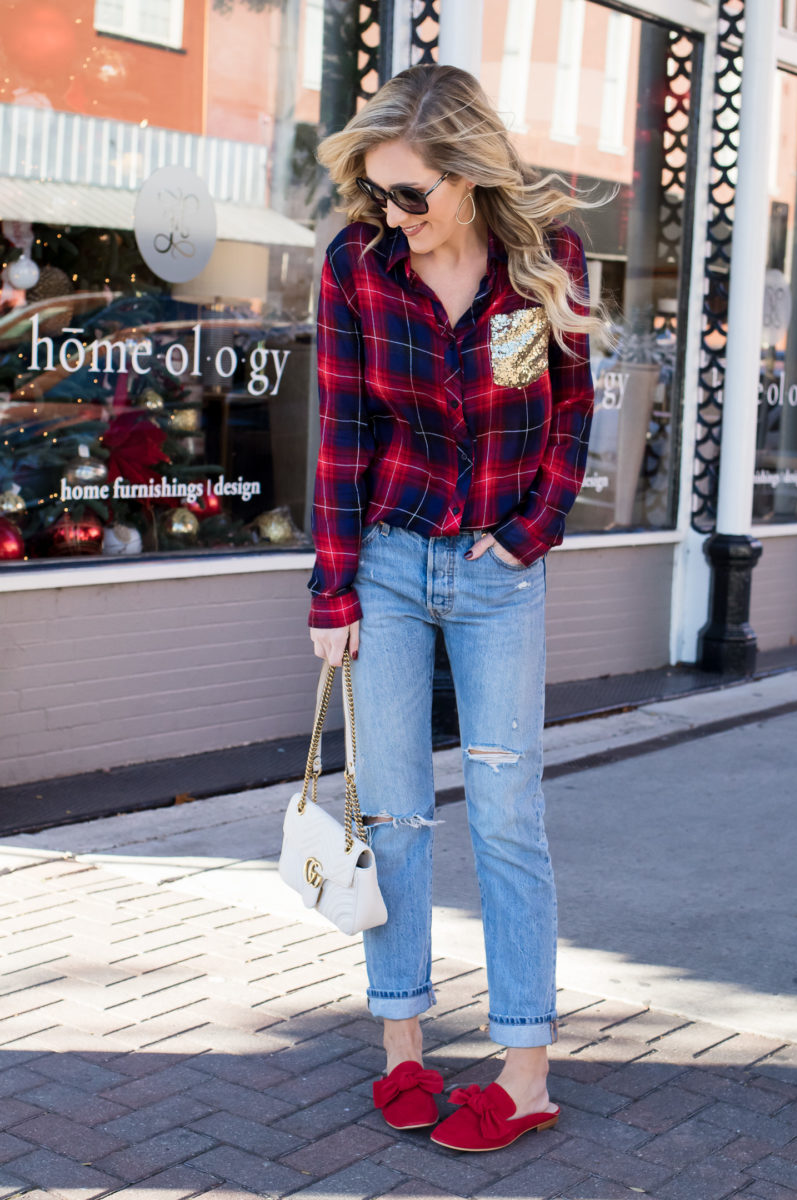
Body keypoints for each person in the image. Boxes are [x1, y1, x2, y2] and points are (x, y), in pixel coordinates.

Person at [306, 63, 607, 1153]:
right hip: (385, 562)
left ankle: (523, 1072)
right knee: (391, 818)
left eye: (412, 195)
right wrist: (329, 588)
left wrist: (530, 531)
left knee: (508, 819)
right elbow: (340, 434)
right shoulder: (356, 266)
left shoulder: (545, 266)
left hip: (494, 575)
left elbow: (570, 412)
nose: (393, 215)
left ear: (471, 177)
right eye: (379, 192)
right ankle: (403, 1052)